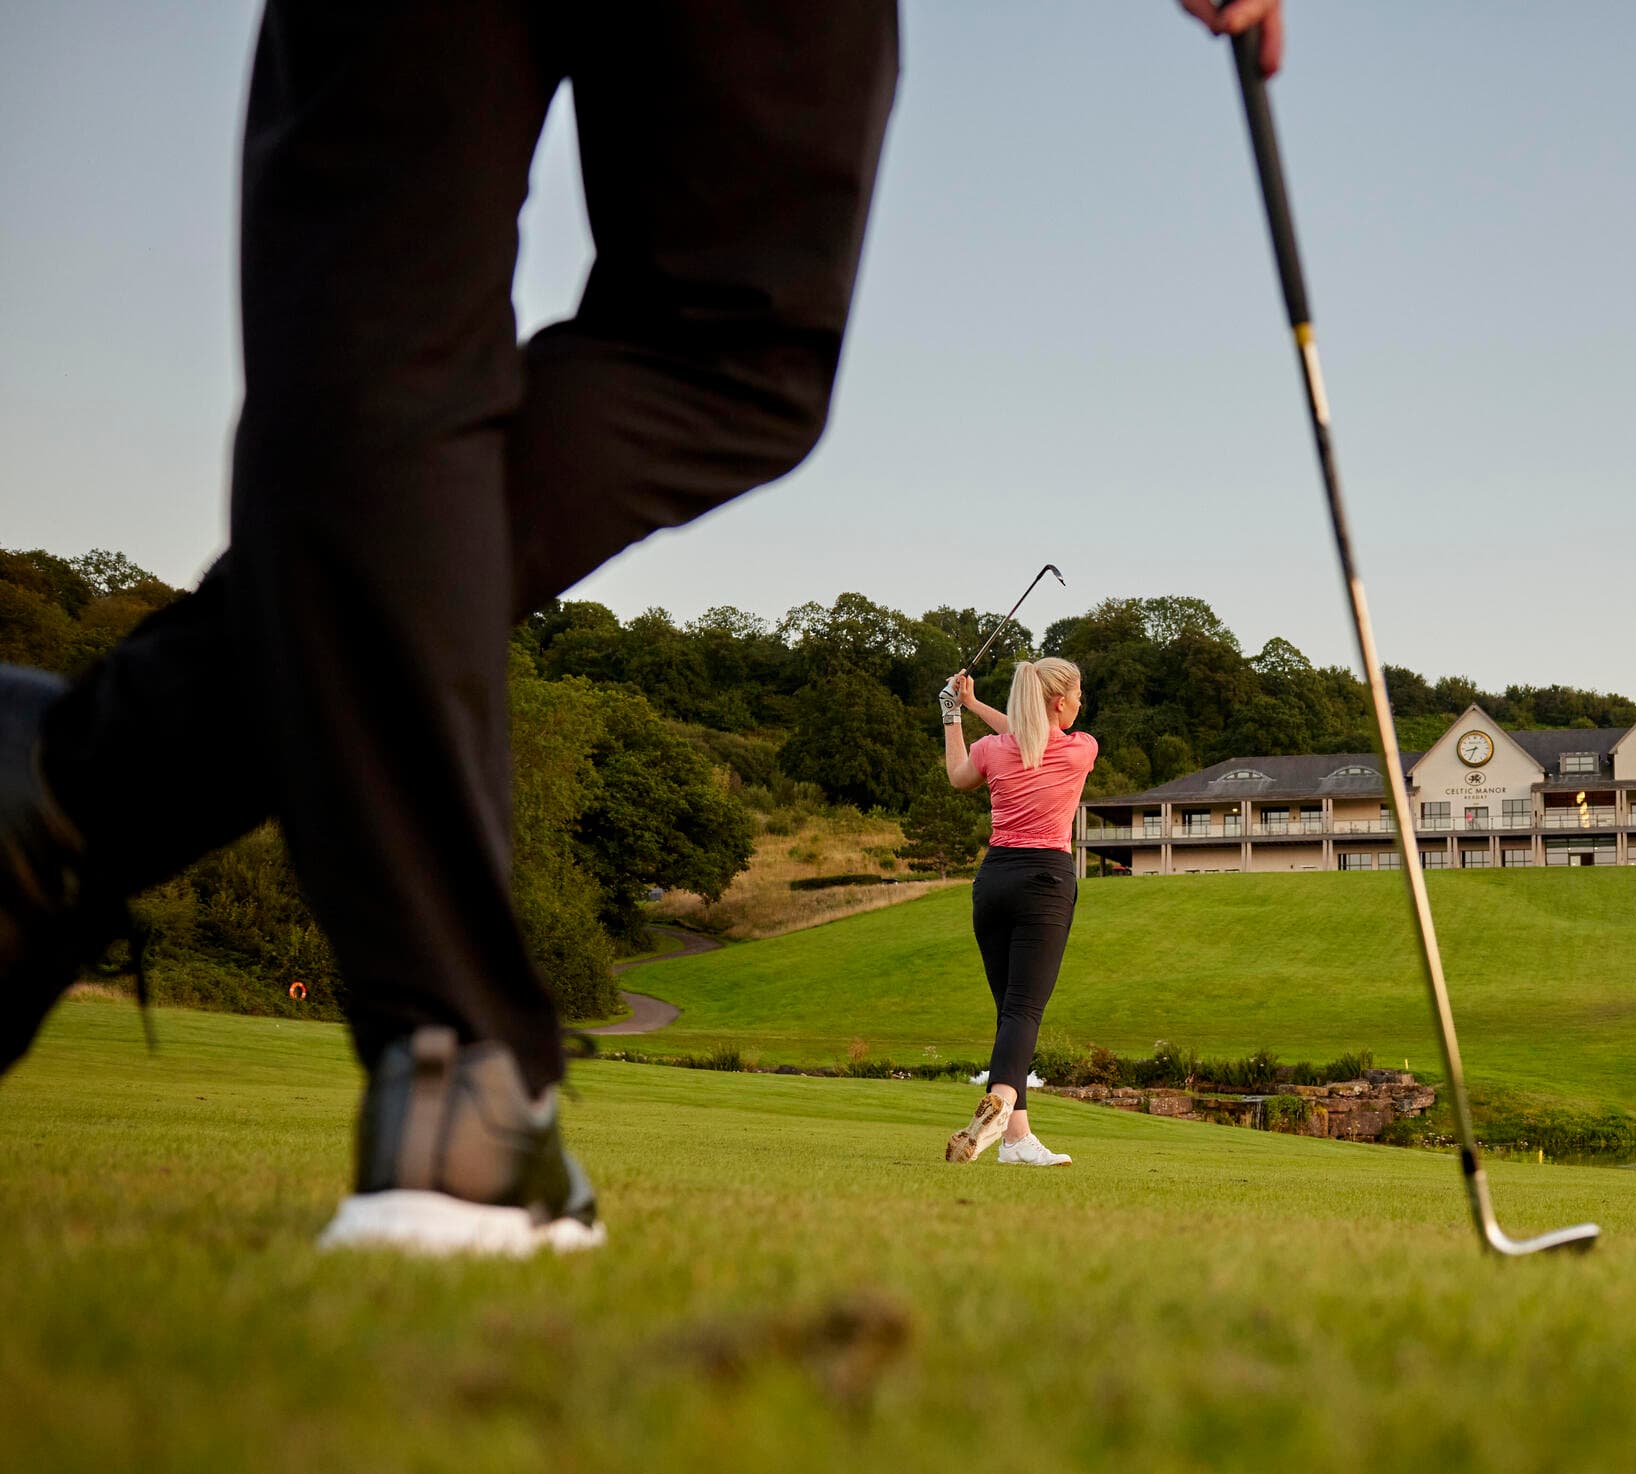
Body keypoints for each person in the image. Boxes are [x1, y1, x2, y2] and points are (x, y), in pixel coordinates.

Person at [0, 0, 1284, 1254]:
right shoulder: (1056, 744)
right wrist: (967, 709)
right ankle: (444, 1069)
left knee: (418, 319)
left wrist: (962, 705)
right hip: (1028, 869)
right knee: (721, 346)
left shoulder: (1032, 741)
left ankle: (66, 788)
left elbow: (980, 752)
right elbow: (991, 752)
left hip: (1006, 855)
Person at [939, 662, 1094, 1166]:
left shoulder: (991, 751)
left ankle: (1016, 1140)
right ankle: (1001, 1105)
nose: (1079, 704)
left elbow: (959, 775)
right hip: (1045, 882)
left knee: (1010, 1013)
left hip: (994, 882)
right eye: (1076, 696)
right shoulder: (1081, 748)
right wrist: (975, 705)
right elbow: (1029, 733)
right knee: (1025, 1010)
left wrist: (955, 713)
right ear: (1058, 703)